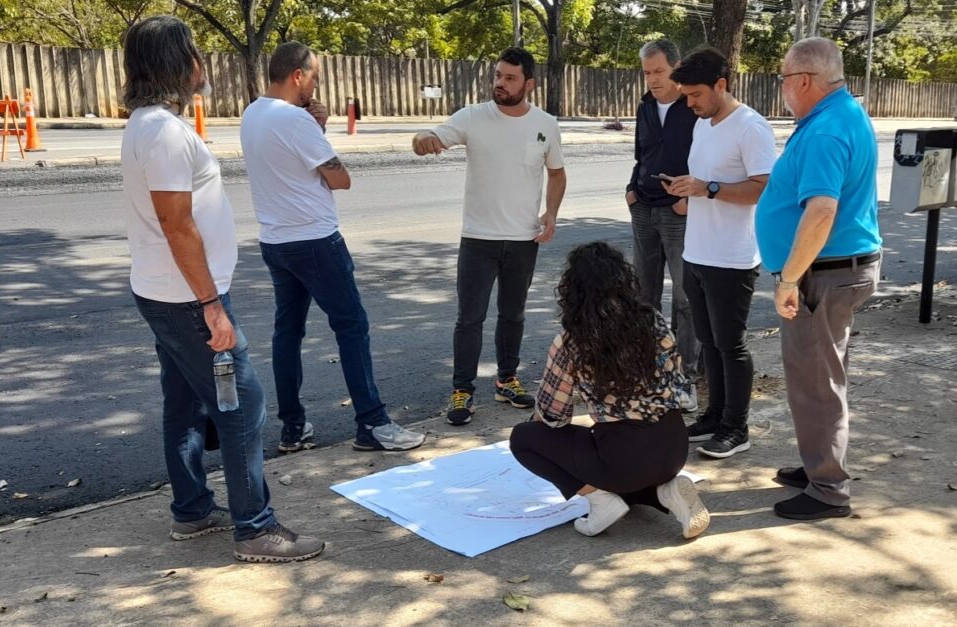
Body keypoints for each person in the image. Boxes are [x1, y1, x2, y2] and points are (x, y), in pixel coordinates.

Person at [120, 16, 323, 562]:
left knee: (185, 403)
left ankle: (191, 511)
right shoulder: (161, 131)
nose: (201, 64)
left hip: (168, 291)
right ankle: (255, 527)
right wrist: (212, 306)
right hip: (187, 298)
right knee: (242, 404)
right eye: (194, 53)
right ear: (179, 65)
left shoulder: (149, 123)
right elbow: (176, 223)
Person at [239, 42, 425, 454]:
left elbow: (288, 166)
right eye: (315, 76)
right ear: (298, 75)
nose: (316, 84)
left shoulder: (252, 113)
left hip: (275, 240)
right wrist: (316, 130)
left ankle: (292, 428)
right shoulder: (295, 121)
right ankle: (372, 423)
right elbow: (341, 180)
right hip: (315, 240)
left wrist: (314, 129)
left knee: (287, 333)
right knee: (352, 326)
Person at [755, 37, 882, 521]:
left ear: (804, 80)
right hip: (838, 269)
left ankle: (828, 488)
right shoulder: (843, 114)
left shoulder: (827, 129)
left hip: (822, 274)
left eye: (784, 79)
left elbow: (822, 210)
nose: (782, 88)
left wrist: (788, 279)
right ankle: (818, 465)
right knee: (823, 375)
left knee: (815, 382)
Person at [509, 242, 710, 539]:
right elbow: (677, 383)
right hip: (674, 445)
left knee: (524, 438)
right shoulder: (652, 320)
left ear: (572, 290)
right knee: (620, 468)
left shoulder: (572, 341)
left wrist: (548, 437)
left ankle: (600, 501)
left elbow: (554, 417)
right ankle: (667, 493)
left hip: (624, 457)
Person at [412, 46, 567, 426]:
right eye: (498, 75)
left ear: (528, 83)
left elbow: (557, 173)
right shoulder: (473, 117)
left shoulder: (545, 123)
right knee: (470, 318)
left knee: (512, 315)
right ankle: (462, 389)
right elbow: (435, 135)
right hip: (478, 238)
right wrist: (423, 138)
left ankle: (507, 380)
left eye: (510, 78)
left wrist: (551, 214)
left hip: (523, 238)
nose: (500, 83)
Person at [665, 47, 777, 460]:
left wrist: (708, 189)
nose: (689, 103)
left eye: (695, 95)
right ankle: (714, 416)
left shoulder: (751, 127)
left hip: (732, 256)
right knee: (709, 343)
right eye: (686, 95)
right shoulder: (704, 123)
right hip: (697, 250)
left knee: (731, 345)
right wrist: (688, 191)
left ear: (721, 85)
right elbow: (707, 180)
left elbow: (763, 188)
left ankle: (737, 427)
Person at [626, 39, 700, 409]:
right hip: (644, 208)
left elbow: (708, 157)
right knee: (643, 296)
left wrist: (690, 197)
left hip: (678, 211)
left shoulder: (694, 106)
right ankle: (649, 370)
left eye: (659, 71)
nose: (653, 80)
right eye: (647, 73)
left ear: (676, 67)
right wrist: (631, 189)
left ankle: (684, 377)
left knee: (685, 298)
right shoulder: (645, 106)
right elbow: (641, 154)